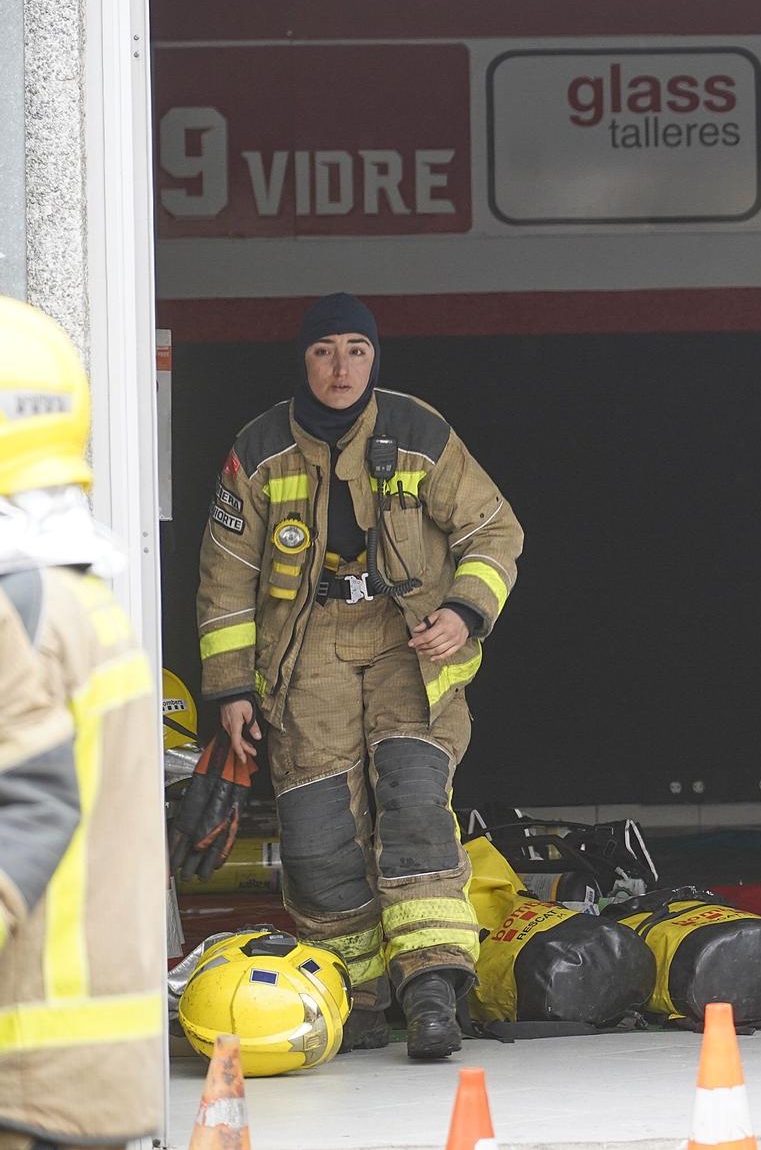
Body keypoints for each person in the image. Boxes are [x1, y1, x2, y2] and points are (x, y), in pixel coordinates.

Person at [187, 293, 522, 1060]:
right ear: (302, 359)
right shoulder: (260, 448)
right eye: (325, 351)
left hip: (411, 642)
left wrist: (465, 613)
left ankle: (434, 987)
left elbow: (494, 528)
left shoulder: (418, 431)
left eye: (357, 350)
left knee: (412, 797)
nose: (342, 369)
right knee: (316, 829)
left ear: (376, 357)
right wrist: (233, 689)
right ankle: (354, 993)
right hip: (307, 651)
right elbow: (225, 577)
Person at [0, 296, 163, 1147]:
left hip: (27, 1062)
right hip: (90, 1063)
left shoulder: (15, 611)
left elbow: (24, 807)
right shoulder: (81, 599)